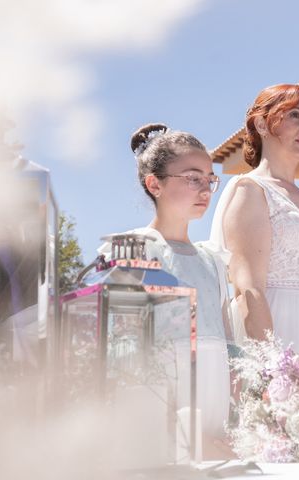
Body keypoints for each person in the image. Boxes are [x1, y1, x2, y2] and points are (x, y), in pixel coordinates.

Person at [100, 123, 232, 457]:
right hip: (162, 415)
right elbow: (124, 353)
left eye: (209, 179)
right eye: (192, 178)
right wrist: (179, 430)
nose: (205, 189)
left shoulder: (212, 259)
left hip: (214, 406)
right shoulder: (135, 250)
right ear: (154, 183)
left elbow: (226, 344)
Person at [210, 84, 299, 369]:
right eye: (295, 115)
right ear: (262, 124)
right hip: (282, 332)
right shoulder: (250, 189)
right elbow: (248, 289)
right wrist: (276, 367)